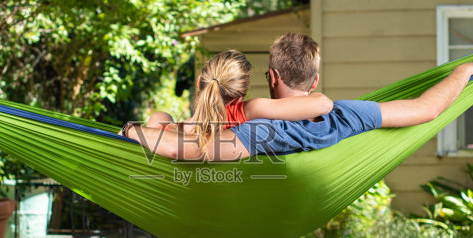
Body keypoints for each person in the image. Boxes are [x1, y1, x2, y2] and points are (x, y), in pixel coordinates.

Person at [123, 33, 473, 161]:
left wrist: (129, 132)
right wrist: (462, 73)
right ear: (315, 81)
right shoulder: (348, 115)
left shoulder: (259, 128)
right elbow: (428, 108)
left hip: (222, 145)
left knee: (162, 120)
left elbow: (182, 149)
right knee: (169, 122)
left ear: (272, 77)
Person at [136, 48, 333, 150]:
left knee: (160, 115)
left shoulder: (160, 127)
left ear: (199, 82)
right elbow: (322, 104)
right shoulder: (247, 111)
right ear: (242, 95)